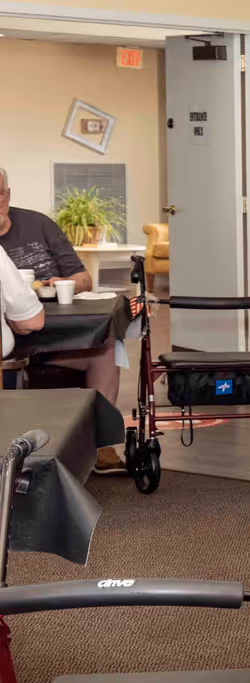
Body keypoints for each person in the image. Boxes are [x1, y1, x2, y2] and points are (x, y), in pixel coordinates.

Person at [0, 170, 121, 467]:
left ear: (8, 194)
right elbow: (25, 320)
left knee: (106, 349)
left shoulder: (37, 224)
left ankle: (101, 444)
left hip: (50, 336)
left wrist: (60, 284)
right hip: (14, 341)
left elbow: (83, 279)